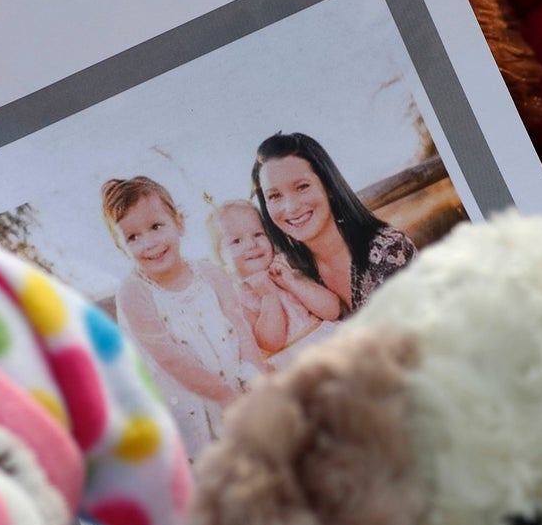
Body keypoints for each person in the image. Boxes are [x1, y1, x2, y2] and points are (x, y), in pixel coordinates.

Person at [101, 176, 264, 458]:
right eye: (132, 237)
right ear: (121, 247)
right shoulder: (134, 292)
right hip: (191, 405)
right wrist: (224, 396)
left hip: (239, 390)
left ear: (179, 222)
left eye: (156, 226)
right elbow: (169, 357)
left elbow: (240, 327)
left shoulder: (210, 274)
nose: (148, 242)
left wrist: (252, 375)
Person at [252, 131, 417, 317]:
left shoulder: (388, 250)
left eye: (302, 187)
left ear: (328, 186)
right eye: (274, 196)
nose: (291, 208)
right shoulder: (289, 273)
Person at [206, 200, 341, 365]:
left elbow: (333, 309)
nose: (251, 244)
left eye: (258, 234)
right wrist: (268, 295)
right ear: (221, 259)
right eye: (236, 241)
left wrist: (292, 283)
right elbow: (271, 342)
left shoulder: (286, 270)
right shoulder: (237, 300)